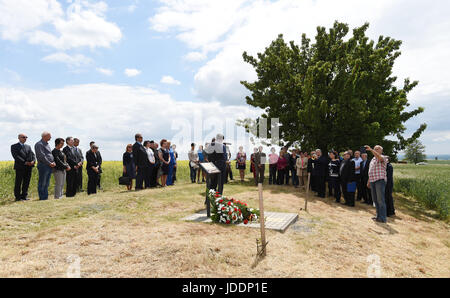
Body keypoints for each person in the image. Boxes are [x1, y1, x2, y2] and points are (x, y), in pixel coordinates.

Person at [366, 145, 389, 223]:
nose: (375, 150)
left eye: (377, 149)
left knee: (380, 200)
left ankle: (382, 218)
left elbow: (379, 158)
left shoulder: (383, 157)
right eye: (375, 149)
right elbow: (371, 171)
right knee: (375, 200)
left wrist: (371, 150)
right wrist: (369, 181)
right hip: (372, 180)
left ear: (381, 151)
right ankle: (378, 216)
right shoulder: (372, 159)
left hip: (380, 180)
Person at [11, 133, 36, 201]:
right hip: (20, 167)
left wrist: (33, 161)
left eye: (26, 137)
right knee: (18, 182)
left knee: (26, 182)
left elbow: (33, 155)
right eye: (23, 137)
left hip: (29, 167)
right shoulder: (14, 146)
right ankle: (18, 197)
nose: (25, 138)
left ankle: (24, 196)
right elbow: (16, 156)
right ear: (19, 138)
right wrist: (25, 162)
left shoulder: (28, 146)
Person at [35, 132, 56, 200]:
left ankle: (45, 196)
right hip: (43, 165)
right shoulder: (39, 144)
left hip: (49, 165)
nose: (50, 137)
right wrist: (50, 163)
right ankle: (42, 197)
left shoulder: (46, 144)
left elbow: (49, 154)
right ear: (44, 136)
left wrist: (53, 162)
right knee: (42, 182)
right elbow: (42, 156)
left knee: (46, 182)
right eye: (49, 136)